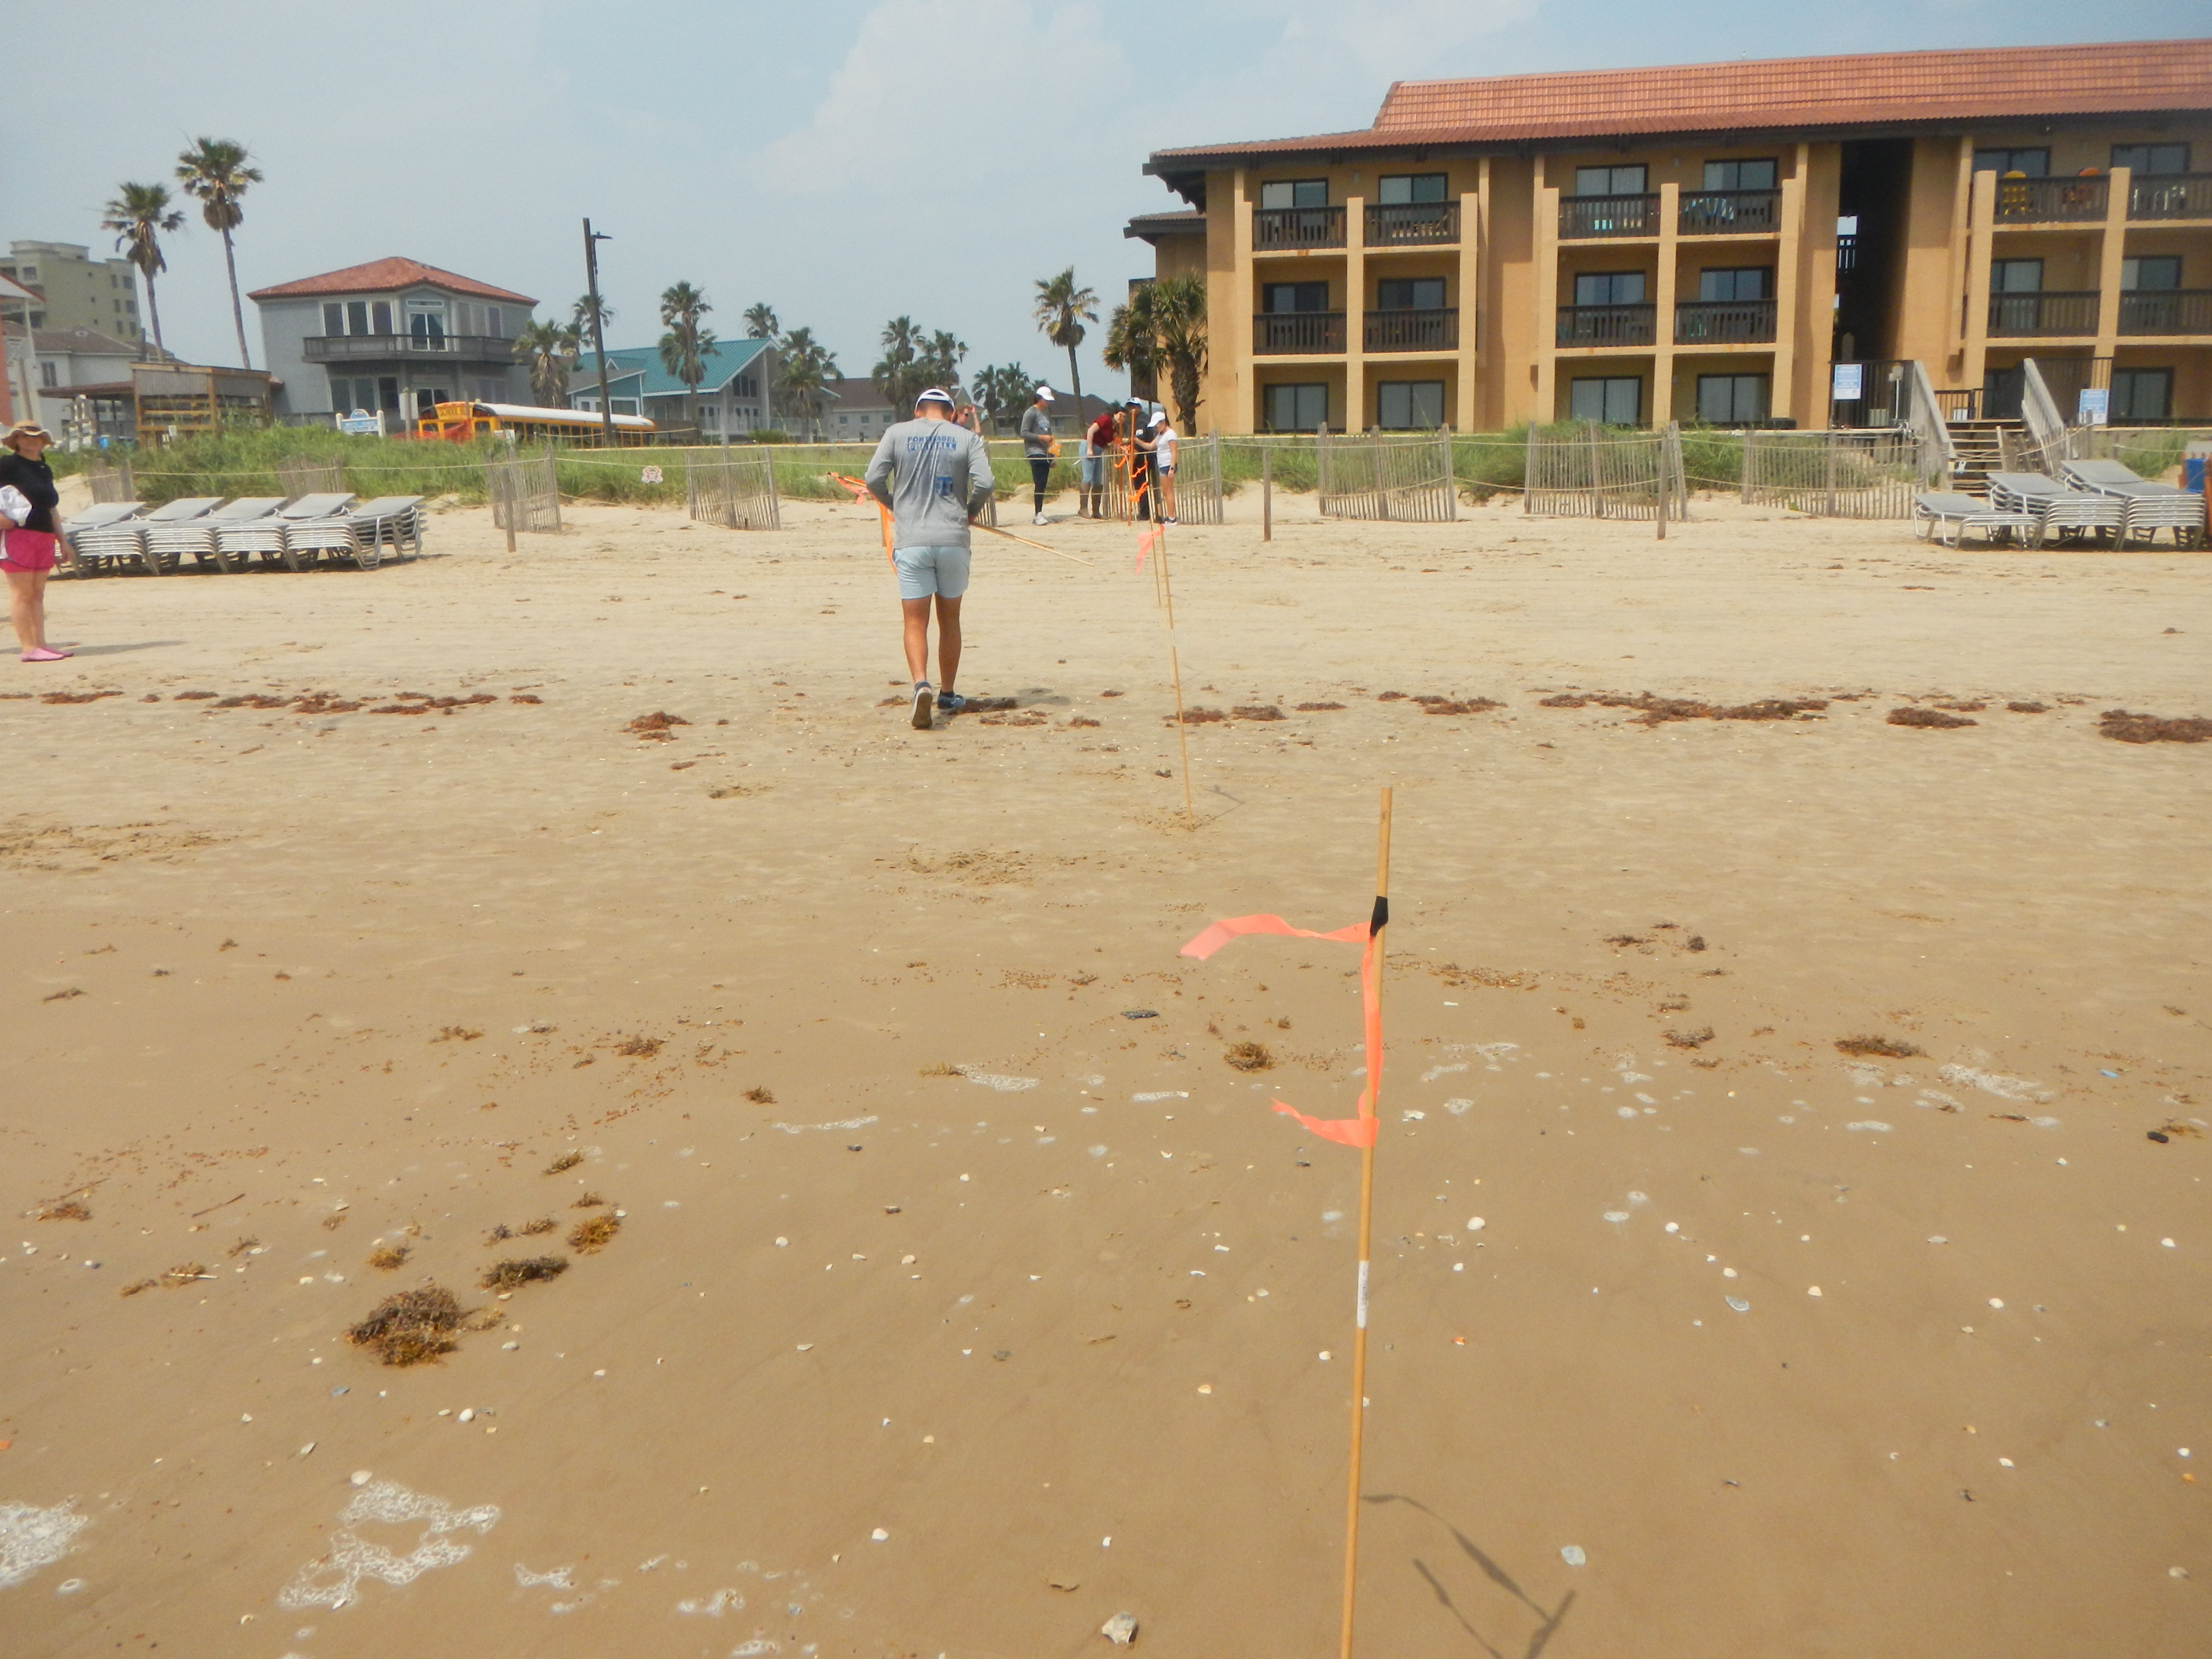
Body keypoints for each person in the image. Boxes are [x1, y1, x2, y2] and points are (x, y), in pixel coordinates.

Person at [864, 388, 997, 729]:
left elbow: (872, 479)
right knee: (949, 619)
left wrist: (894, 504)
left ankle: (921, 683)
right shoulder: (966, 438)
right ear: (952, 413)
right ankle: (948, 692)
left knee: (914, 621)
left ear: (918, 410)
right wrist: (970, 511)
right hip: (953, 539)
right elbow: (985, 483)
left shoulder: (896, 433)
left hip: (912, 540)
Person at [0, 422, 70, 662]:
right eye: (24, 437)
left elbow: (51, 507)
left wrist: (62, 540)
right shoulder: (7, 464)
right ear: (16, 441)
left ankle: (41, 644)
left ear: (43, 442)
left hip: (44, 534)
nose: (31, 441)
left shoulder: (43, 468)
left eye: (36, 438)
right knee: (22, 593)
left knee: (37, 593)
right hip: (18, 535)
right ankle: (28, 647)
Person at [1019, 385, 1056, 525]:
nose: (1048, 403)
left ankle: (1040, 512)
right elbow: (1024, 432)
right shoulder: (1031, 413)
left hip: (1046, 452)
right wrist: (1042, 438)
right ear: (1039, 399)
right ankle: (1037, 514)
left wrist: (1052, 456)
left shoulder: (1046, 414)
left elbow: (1050, 435)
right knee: (1039, 482)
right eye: (1046, 400)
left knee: (1043, 483)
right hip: (1035, 452)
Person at [1081, 403, 1115, 519]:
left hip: (1099, 450)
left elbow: (1103, 441)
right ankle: (1083, 508)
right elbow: (1091, 431)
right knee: (1088, 477)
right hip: (1089, 447)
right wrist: (1089, 449)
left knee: (1098, 480)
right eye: (1121, 416)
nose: (1122, 419)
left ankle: (1096, 510)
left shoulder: (1113, 427)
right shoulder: (1105, 419)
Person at [1125, 400, 1155, 520]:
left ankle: (1145, 512)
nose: (1130, 410)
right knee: (1140, 485)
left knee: (1141, 484)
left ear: (1139, 408)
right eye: (1129, 407)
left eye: (1133, 407)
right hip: (1142, 458)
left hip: (1143, 459)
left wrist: (1131, 462)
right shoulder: (1136, 420)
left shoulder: (1141, 421)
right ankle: (1144, 511)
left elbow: (1138, 442)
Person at [1152, 410, 1179, 524]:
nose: (1156, 428)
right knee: (1165, 491)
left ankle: (1172, 518)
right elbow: (1150, 446)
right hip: (1162, 464)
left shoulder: (1170, 434)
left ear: (1163, 423)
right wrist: (1137, 440)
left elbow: (1174, 452)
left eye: (1157, 426)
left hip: (1168, 465)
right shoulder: (1160, 435)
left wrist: (1172, 468)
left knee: (1168, 491)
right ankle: (1169, 516)